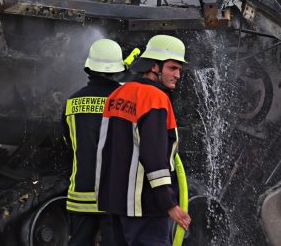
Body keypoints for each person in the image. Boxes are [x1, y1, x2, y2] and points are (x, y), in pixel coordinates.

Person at [97, 35, 192, 245]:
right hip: (145, 206)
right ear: (154, 66)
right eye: (172, 68)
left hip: (116, 203)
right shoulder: (155, 98)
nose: (177, 75)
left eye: (179, 69)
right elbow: (154, 156)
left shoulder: (117, 94)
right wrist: (169, 204)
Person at [64, 39, 127, 246]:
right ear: (118, 69)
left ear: (89, 68)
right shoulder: (125, 102)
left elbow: (69, 143)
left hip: (80, 194)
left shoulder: (71, 102)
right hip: (114, 195)